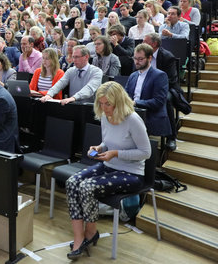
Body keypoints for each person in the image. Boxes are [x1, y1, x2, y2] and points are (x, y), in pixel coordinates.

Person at [65, 82, 151, 260]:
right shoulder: (105, 116)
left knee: (87, 187)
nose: (104, 108)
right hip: (110, 165)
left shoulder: (133, 120)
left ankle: (90, 233)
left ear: (118, 102)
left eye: (108, 104)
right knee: (72, 182)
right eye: (101, 103)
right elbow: (107, 142)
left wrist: (116, 153)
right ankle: (79, 236)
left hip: (132, 173)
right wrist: (99, 147)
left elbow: (146, 152)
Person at [125, 44, 172, 138]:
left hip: (149, 114)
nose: (136, 62)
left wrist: (135, 103)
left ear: (149, 58)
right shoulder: (133, 75)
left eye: (140, 59)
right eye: (135, 58)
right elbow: (126, 95)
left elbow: (158, 102)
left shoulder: (160, 75)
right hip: (133, 112)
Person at [143, 33, 179, 150]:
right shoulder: (142, 55)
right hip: (146, 86)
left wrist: (155, 87)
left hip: (166, 88)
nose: (142, 44)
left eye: (145, 41)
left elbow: (172, 79)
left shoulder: (167, 57)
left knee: (166, 100)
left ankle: (171, 137)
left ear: (153, 44)